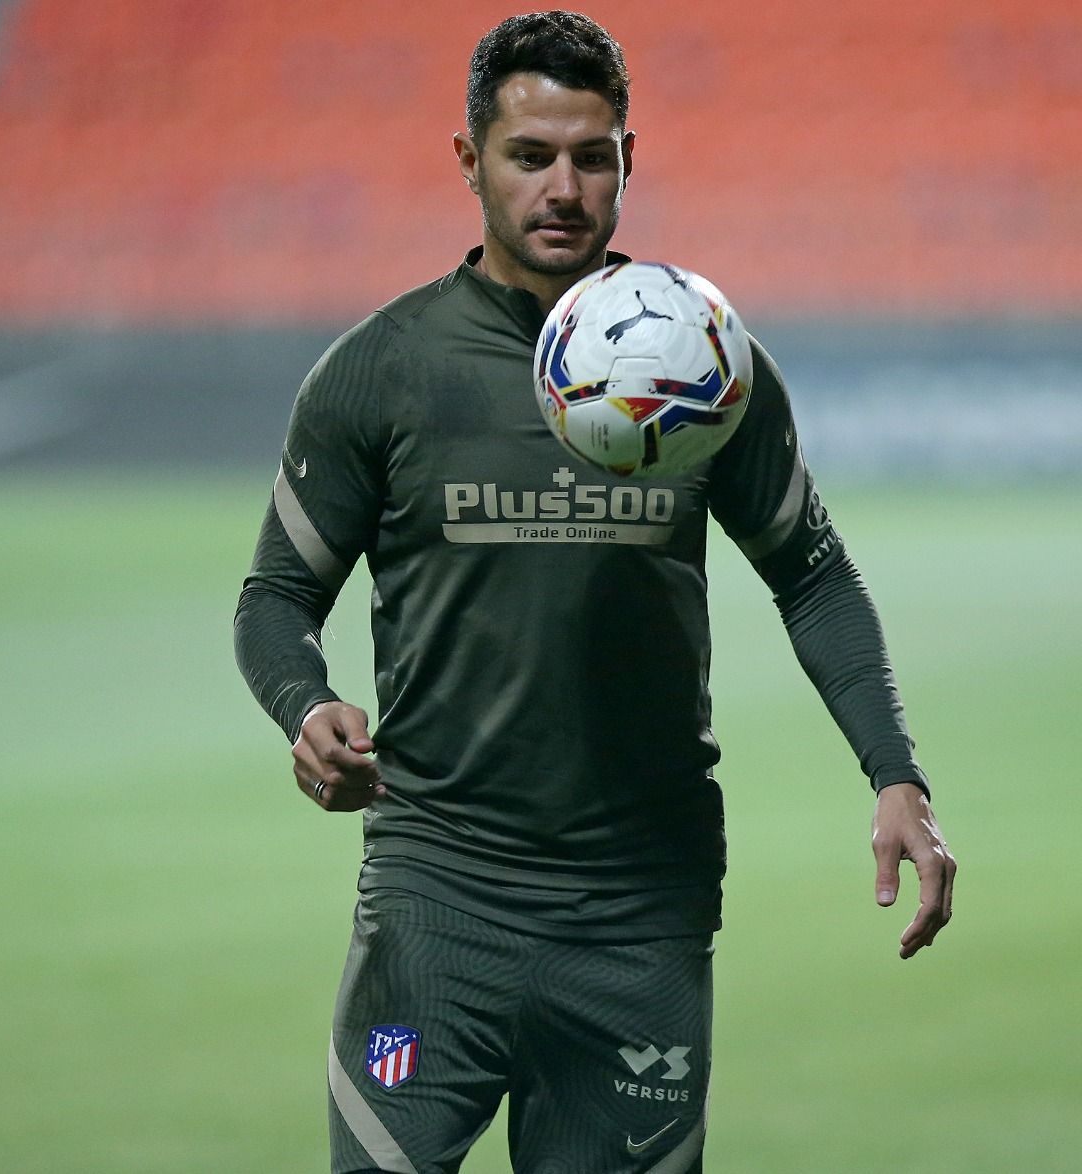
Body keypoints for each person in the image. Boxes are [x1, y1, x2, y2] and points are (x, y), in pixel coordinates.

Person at [233, 11, 955, 1173]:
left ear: (630, 157)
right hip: (436, 899)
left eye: (593, 155)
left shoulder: (706, 360)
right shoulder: (384, 368)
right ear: (468, 161)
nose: (563, 187)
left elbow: (811, 574)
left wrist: (896, 771)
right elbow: (275, 594)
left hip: (641, 906)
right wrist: (304, 706)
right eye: (530, 156)